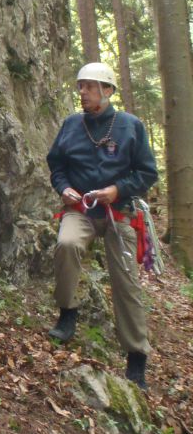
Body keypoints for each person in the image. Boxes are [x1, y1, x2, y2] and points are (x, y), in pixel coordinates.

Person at [46, 62, 158, 389]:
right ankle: (68, 312)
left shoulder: (131, 126)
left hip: (119, 213)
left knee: (127, 283)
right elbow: (57, 166)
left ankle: (136, 357)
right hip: (80, 210)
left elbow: (147, 173)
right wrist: (63, 188)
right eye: (80, 86)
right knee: (67, 244)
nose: (82, 92)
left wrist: (117, 190)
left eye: (89, 87)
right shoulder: (70, 125)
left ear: (107, 91)